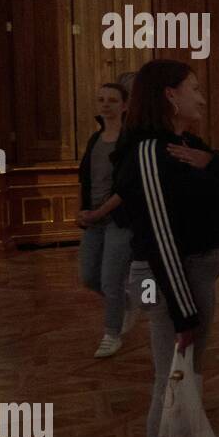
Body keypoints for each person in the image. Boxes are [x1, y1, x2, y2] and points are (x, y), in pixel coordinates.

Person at [115, 60, 219, 437]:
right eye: (194, 88)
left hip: (195, 274)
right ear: (170, 95)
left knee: (188, 380)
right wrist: (184, 310)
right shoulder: (148, 151)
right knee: (172, 382)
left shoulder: (188, 145)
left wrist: (214, 164)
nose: (202, 97)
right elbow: (157, 234)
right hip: (171, 281)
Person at [77, 82, 135, 357]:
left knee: (111, 280)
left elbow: (128, 186)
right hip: (94, 219)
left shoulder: (130, 140)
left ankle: (112, 334)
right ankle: (125, 303)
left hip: (119, 219)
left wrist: (101, 212)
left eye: (112, 100)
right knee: (90, 277)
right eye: (101, 99)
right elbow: (86, 180)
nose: (105, 104)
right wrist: (85, 211)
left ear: (124, 105)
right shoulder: (95, 139)